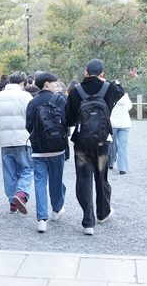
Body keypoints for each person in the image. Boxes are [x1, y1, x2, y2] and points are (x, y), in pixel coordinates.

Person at [64, 59, 126, 234]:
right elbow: (121, 91)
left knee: (83, 179)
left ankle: (88, 221)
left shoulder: (76, 91)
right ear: (102, 73)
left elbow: (69, 120)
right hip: (103, 141)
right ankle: (103, 213)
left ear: (85, 72)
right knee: (102, 177)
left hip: (82, 143)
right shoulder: (109, 89)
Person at [25, 71, 68, 233]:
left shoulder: (32, 102)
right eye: (55, 83)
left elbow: (28, 125)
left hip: (38, 149)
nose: (57, 86)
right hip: (57, 148)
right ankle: (56, 210)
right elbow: (66, 122)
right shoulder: (58, 99)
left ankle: (41, 219)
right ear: (47, 84)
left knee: (40, 182)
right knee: (56, 180)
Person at [0, 71, 33, 215]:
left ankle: (12, 202)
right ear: (22, 83)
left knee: (9, 171)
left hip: (5, 140)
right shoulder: (25, 96)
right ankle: (21, 193)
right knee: (27, 168)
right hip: (23, 139)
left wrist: (2, 125)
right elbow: (31, 115)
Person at [110, 91, 133, 174]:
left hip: (113, 124)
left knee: (111, 145)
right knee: (123, 146)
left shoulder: (110, 95)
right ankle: (123, 168)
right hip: (125, 124)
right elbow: (129, 107)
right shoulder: (125, 96)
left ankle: (110, 163)